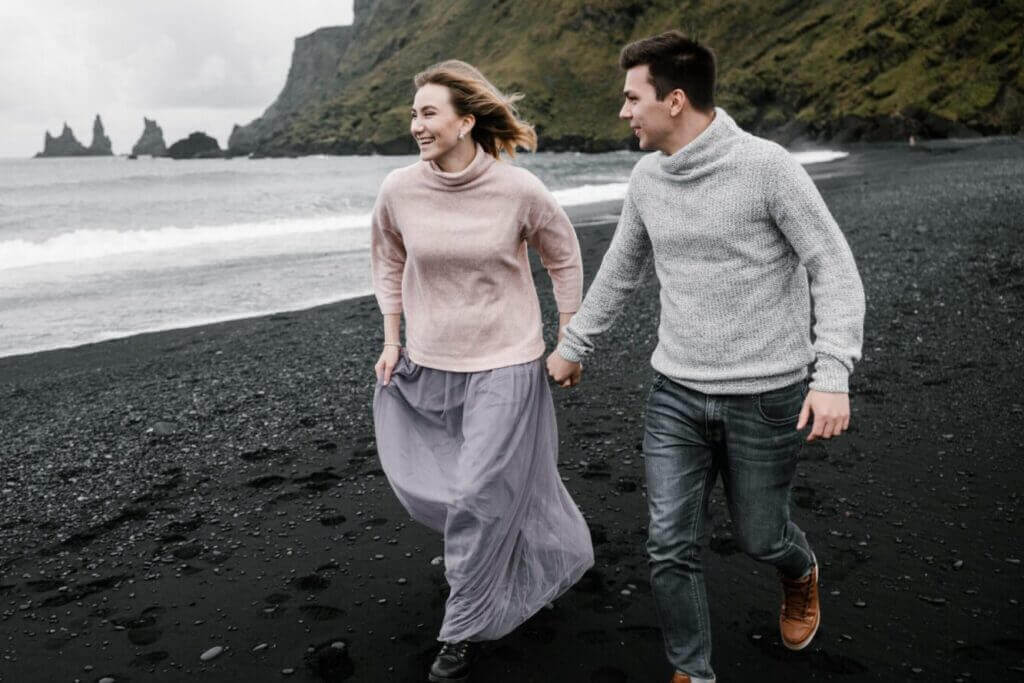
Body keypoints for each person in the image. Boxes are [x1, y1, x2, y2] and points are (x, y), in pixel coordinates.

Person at [546, 32, 865, 683]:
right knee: (668, 545)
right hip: (676, 394)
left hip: (767, 395)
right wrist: (575, 342)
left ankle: (799, 570)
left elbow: (832, 265)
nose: (623, 111)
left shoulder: (767, 167)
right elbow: (622, 270)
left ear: (676, 99)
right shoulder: (646, 179)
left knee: (761, 536)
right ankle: (692, 670)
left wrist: (832, 373)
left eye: (633, 98)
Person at [370, 60, 594, 683]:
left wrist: (569, 339)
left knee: (474, 494)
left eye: (429, 112)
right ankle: (538, 548)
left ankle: (460, 629)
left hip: (507, 362)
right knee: (457, 489)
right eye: (413, 113)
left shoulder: (517, 190)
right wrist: (392, 341)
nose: (416, 124)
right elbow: (387, 263)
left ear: (467, 121)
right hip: (429, 363)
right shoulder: (397, 190)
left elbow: (564, 256)